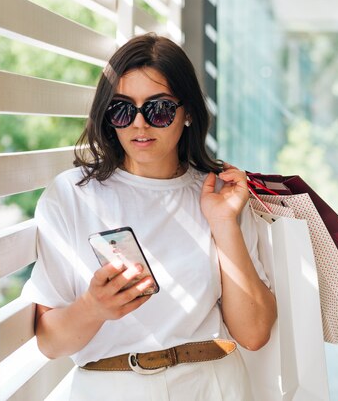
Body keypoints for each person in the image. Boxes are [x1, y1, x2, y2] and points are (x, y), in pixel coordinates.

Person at [21, 33, 277, 400]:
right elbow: (49, 342)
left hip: (214, 385)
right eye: (123, 109)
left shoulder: (220, 194)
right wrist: (94, 307)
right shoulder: (72, 195)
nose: (139, 125)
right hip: (109, 389)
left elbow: (254, 333)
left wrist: (223, 224)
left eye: (158, 109)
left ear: (187, 112)